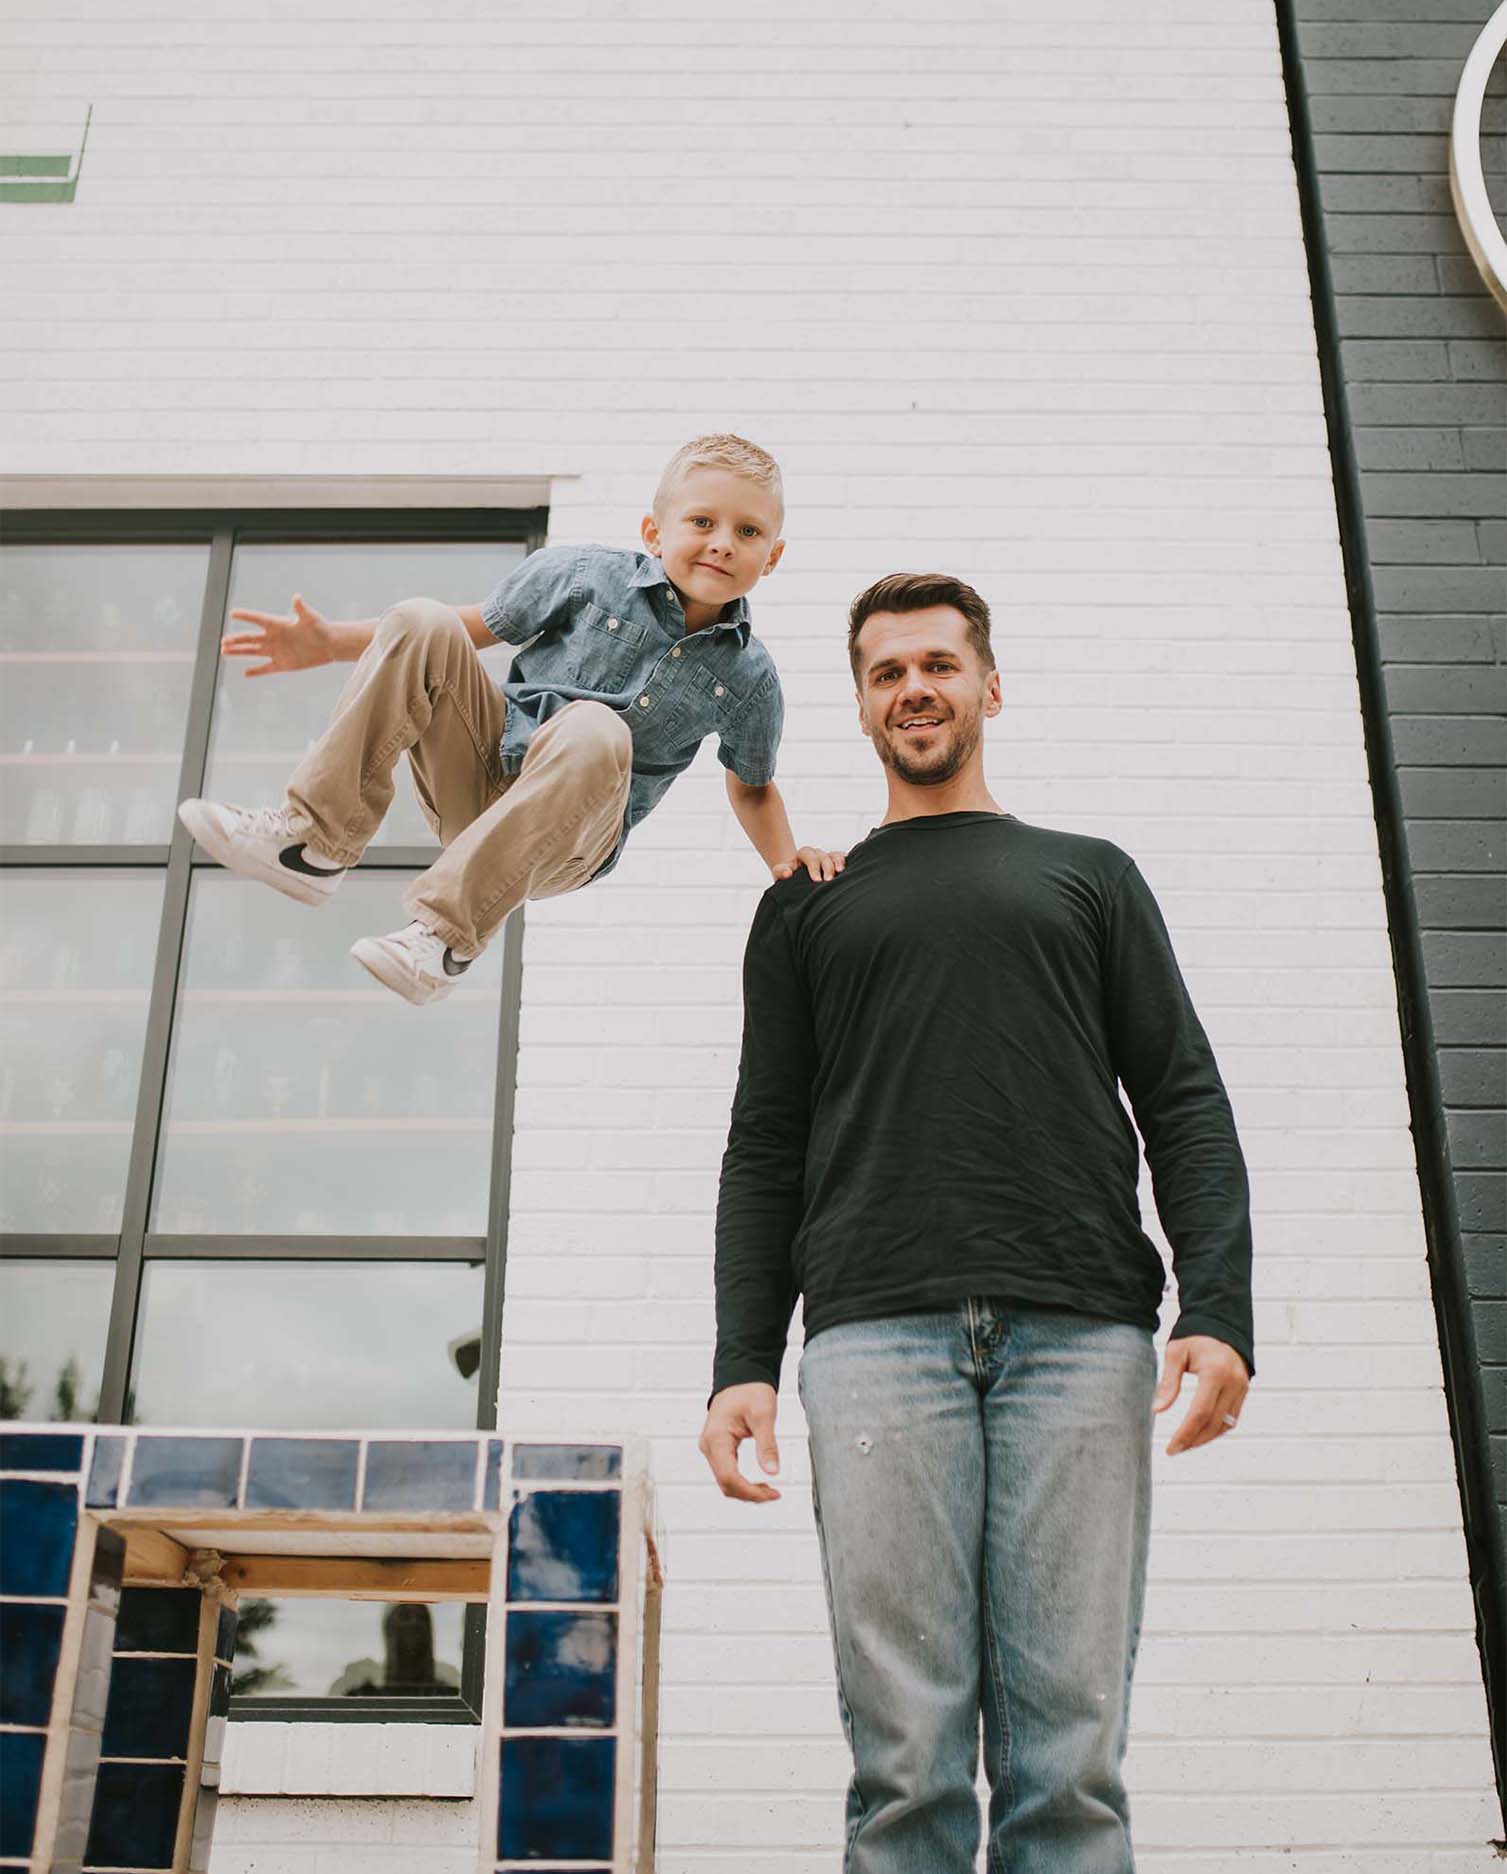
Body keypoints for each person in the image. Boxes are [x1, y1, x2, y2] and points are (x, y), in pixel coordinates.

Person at [700, 572, 1254, 1873]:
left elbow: (1180, 1093)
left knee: (1067, 1762)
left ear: (988, 686)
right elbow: (762, 1144)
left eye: (937, 664)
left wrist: (1215, 1306)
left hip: (1079, 1333)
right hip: (870, 1338)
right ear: (857, 705)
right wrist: (739, 1359)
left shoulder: (1087, 875)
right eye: (886, 671)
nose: (913, 688)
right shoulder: (804, 901)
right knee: (904, 1766)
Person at [178, 434, 843, 1005]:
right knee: (422, 618)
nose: (722, 544)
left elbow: (751, 786)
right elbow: (465, 629)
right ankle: (313, 842)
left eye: (747, 532)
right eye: (702, 522)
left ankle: (441, 942)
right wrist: (329, 645)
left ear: (772, 556)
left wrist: (788, 862)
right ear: (653, 532)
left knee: (595, 728)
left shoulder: (750, 678)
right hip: (482, 773)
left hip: (569, 838)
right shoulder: (582, 576)